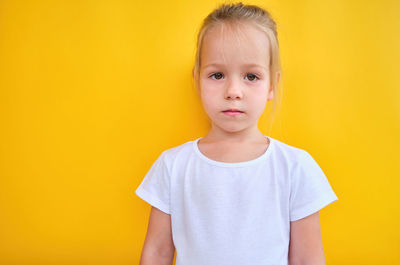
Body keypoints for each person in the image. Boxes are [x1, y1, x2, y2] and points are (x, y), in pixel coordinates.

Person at [135, 2, 339, 265]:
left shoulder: (295, 167)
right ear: (197, 79)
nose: (233, 91)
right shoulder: (173, 166)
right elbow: (157, 253)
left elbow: (307, 259)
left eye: (251, 77)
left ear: (271, 86)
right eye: (217, 74)